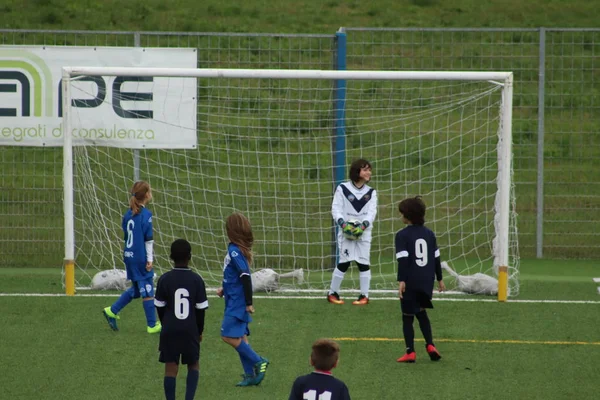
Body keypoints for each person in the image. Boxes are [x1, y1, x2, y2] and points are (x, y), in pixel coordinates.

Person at [216, 212, 269, 386]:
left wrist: (248, 303)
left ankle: (258, 361)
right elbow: (236, 276)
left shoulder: (234, 251)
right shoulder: (235, 249)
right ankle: (250, 375)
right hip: (232, 298)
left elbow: (245, 275)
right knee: (241, 337)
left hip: (237, 302)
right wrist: (225, 288)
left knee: (227, 336)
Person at [103, 180, 161, 334]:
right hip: (140, 257)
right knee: (148, 289)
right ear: (147, 195)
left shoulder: (128, 214)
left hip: (128, 255)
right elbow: (148, 239)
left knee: (136, 289)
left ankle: (112, 311)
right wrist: (150, 259)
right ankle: (152, 325)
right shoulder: (146, 215)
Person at [154, 239, 208, 400]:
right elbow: (200, 310)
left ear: (171, 257)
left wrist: (165, 324)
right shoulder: (197, 280)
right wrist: (199, 331)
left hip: (170, 328)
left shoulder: (164, 279)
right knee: (193, 364)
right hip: (190, 328)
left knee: (170, 367)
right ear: (190, 257)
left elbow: (159, 306)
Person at [395, 196, 446, 363]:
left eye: (402, 213)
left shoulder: (402, 235)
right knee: (422, 313)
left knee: (407, 316)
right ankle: (430, 345)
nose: (400, 216)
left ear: (407, 216)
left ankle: (410, 352)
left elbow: (403, 260)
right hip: (426, 281)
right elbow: (436, 258)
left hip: (411, 280)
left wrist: (402, 281)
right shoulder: (429, 234)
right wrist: (440, 278)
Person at [327, 159, 378, 305]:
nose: (369, 172)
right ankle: (332, 293)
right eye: (365, 169)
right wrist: (343, 224)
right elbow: (336, 208)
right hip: (346, 232)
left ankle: (364, 296)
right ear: (357, 172)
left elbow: (371, 212)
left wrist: (363, 226)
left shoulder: (371, 192)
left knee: (364, 262)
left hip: (364, 233)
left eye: (369, 169)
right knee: (344, 262)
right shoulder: (342, 188)